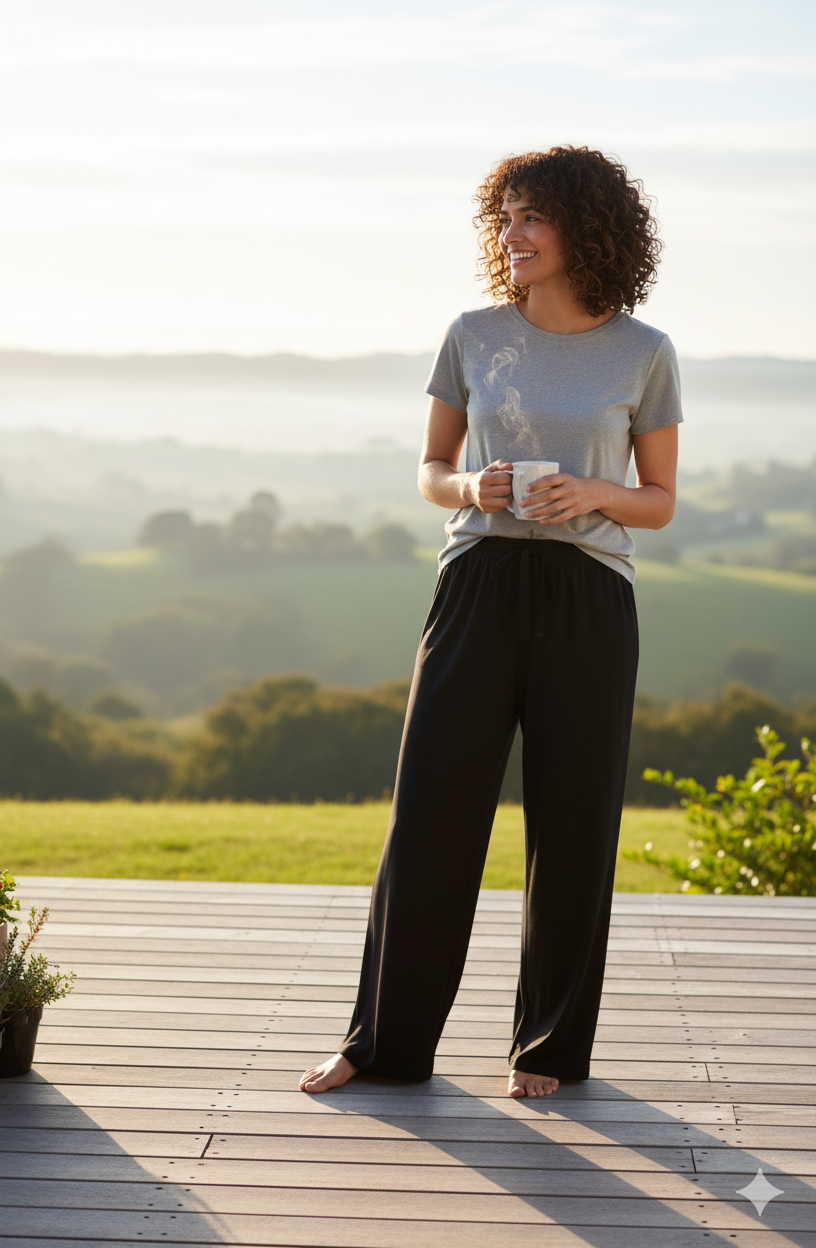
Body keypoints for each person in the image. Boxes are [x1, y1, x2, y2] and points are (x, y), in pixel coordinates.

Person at [300, 145, 681, 1099]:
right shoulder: (472, 333)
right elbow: (430, 472)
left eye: (530, 216)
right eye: (504, 216)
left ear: (585, 228)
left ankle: (548, 1047)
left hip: (591, 594)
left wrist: (594, 491)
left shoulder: (645, 351)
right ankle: (382, 1042)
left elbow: (661, 500)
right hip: (477, 582)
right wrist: (476, 483)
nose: (510, 234)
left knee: (574, 821)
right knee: (430, 809)